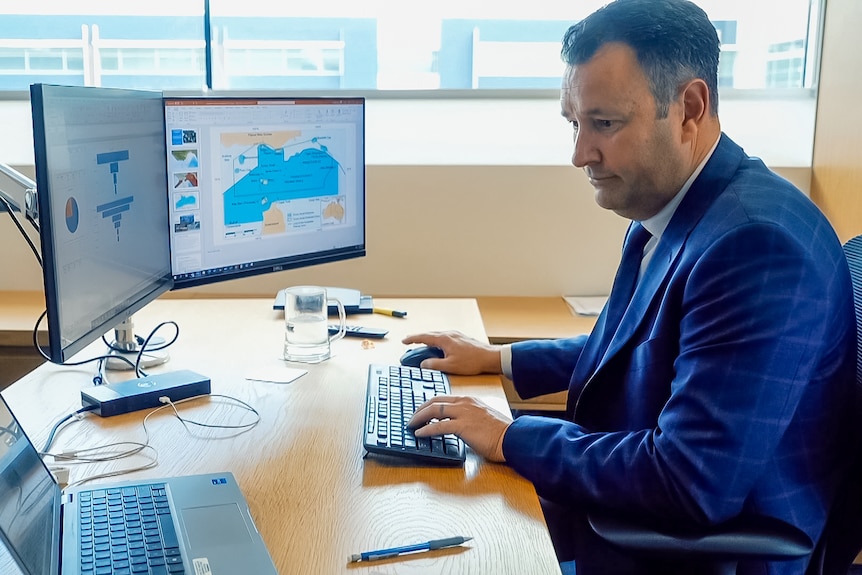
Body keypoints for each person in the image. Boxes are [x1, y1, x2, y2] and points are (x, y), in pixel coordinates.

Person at [405, 0, 857, 573]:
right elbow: (640, 350)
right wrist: (499, 359)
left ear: (689, 108)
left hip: (697, 554)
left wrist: (509, 438)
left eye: (604, 124)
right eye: (575, 123)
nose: (579, 154)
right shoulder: (677, 209)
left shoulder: (756, 247)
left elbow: (688, 482)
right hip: (632, 521)